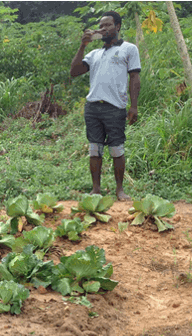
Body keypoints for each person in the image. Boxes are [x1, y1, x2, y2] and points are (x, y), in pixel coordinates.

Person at [70, 10, 141, 201]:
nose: (102, 29)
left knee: (117, 149)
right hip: (93, 108)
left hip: (115, 108)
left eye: (107, 25)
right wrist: (82, 45)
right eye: (100, 26)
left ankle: (120, 190)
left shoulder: (129, 49)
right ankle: (96, 189)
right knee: (94, 149)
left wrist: (133, 106)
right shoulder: (94, 54)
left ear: (117, 27)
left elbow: (134, 77)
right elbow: (74, 71)